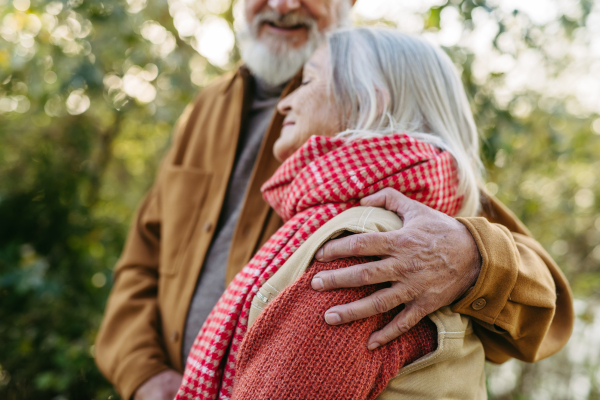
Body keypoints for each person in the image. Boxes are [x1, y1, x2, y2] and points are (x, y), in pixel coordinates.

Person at [94, 1, 573, 399]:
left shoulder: (381, 128)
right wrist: (145, 376)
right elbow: (141, 261)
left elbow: (537, 291)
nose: (282, 5)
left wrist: (469, 257)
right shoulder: (203, 110)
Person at [178, 28, 490, 400]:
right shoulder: (402, 225)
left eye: (307, 80)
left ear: (366, 100)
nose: (284, 104)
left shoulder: (369, 246)